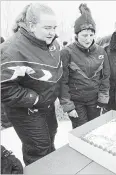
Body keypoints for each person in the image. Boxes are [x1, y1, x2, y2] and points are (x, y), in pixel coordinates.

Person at [1, 3, 63, 165]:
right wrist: (34, 99)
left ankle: (50, 167)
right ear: (31, 26)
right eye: (47, 27)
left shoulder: (51, 43)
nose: (53, 32)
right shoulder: (11, 50)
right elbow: (4, 87)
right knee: (38, 146)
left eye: (54, 27)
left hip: (46, 104)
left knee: (51, 136)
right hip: (25, 109)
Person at [59, 4, 110, 129]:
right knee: (81, 131)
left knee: (94, 129)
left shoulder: (101, 52)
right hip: (77, 103)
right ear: (76, 35)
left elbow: (105, 77)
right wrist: (68, 106)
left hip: (94, 101)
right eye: (84, 35)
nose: (88, 39)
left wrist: (102, 99)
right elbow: (62, 81)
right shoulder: (67, 52)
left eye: (91, 35)